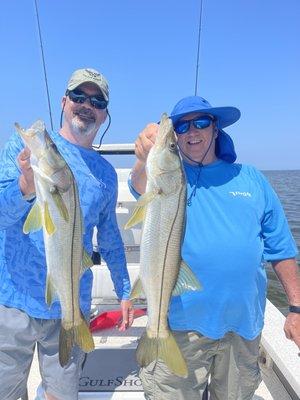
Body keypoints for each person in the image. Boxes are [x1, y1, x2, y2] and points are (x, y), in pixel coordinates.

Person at [129, 95, 300, 400]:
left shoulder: (252, 179)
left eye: (201, 122)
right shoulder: (170, 178)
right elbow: (140, 184)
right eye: (181, 127)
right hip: (182, 326)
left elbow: (281, 247)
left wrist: (296, 308)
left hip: (242, 327)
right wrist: (143, 158)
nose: (192, 131)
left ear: (216, 129)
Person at [0, 68, 133, 400]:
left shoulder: (104, 173)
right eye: (78, 96)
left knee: (62, 395)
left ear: (105, 114)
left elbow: (111, 238)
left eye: (97, 101)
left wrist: (125, 290)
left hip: (70, 305)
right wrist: (24, 187)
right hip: (13, 297)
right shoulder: (23, 149)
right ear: (63, 102)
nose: (86, 105)